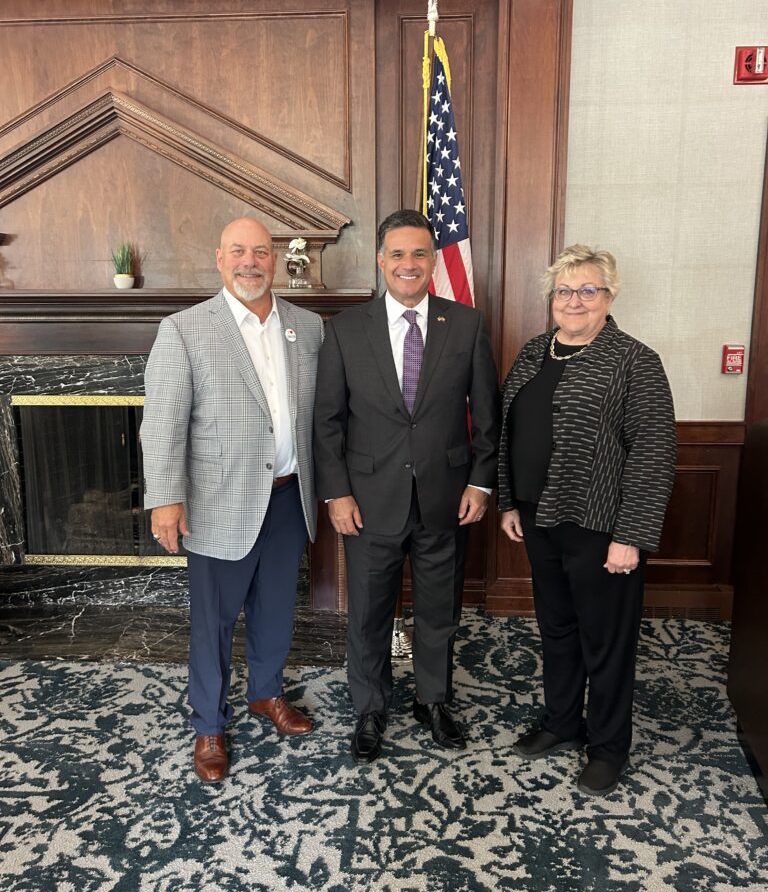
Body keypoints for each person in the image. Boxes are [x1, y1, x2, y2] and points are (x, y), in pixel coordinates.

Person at [140, 217, 324, 783]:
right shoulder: (185, 329)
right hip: (218, 502)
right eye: (238, 252)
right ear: (219, 260)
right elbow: (163, 422)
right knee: (213, 621)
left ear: (276, 261)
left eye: (261, 252)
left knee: (276, 610)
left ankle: (266, 693)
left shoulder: (310, 327)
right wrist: (166, 497)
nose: (251, 262)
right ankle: (209, 724)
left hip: (291, 498)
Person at [313, 209, 499, 763]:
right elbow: (328, 422)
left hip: (447, 498)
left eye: (419, 253)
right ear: (380, 260)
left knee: (440, 610)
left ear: (434, 260)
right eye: (397, 254)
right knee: (368, 612)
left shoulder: (464, 324)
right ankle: (370, 708)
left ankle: (434, 701)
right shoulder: (346, 330)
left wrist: (481, 483)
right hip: (368, 502)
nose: (408, 264)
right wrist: (337, 493)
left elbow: (487, 417)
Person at [498, 244, 676, 797]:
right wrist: (507, 501)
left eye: (587, 290)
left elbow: (653, 450)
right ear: (551, 298)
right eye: (564, 290)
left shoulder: (633, 360)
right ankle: (561, 723)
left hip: (603, 527)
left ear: (609, 296)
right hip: (539, 518)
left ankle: (607, 747)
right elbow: (510, 433)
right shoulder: (533, 353)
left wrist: (632, 536)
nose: (574, 300)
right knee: (557, 628)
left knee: (607, 640)